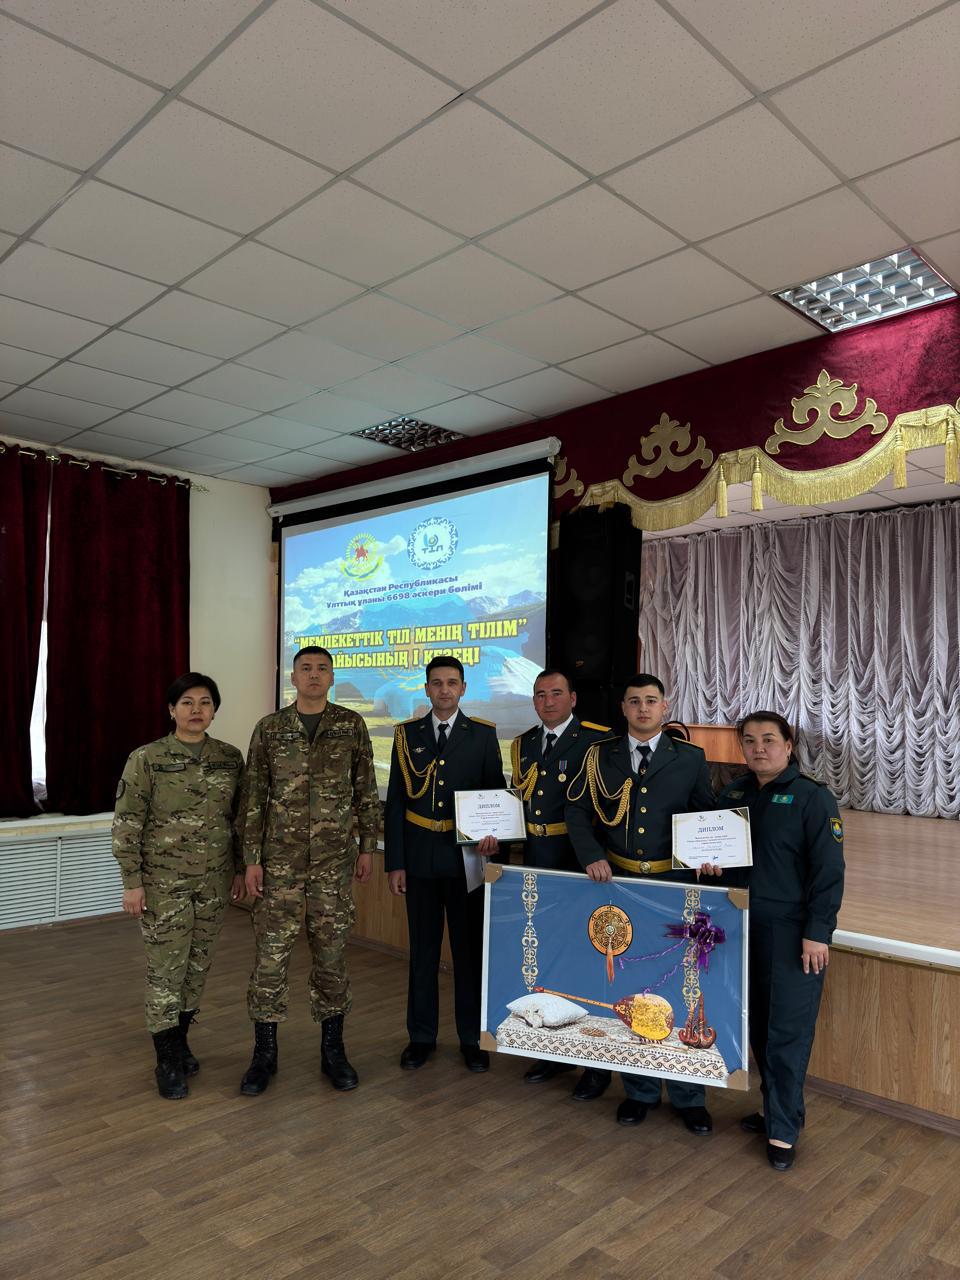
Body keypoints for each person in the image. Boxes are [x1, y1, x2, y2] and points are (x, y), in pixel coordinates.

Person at [565, 673, 717, 1133]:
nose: (643, 708)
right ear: (624, 708)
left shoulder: (690, 758)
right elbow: (577, 810)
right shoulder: (600, 756)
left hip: (673, 888)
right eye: (634, 701)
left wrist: (709, 855)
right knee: (631, 988)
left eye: (651, 701)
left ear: (665, 707)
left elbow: (705, 815)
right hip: (621, 886)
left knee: (683, 986)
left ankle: (689, 1094)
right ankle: (640, 1090)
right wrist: (591, 855)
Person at [239, 646, 379, 1096]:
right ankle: (264, 1054)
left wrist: (367, 847)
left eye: (322, 669)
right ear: (293, 677)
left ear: (332, 677)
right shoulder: (270, 728)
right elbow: (254, 796)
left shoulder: (350, 726)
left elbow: (365, 790)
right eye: (306, 669)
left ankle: (333, 1050)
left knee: (332, 957)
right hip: (278, 864)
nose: (314, 675)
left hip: (333, 864)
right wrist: (251, 859)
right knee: (270, 958)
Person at [718, 712, 844, 1171]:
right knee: (757, 1025)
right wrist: (708, 865)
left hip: (792, 934)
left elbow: (829, 872)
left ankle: (783, 1130)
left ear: (788, 746)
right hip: (740, 928)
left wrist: (817, 933)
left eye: (769, 739)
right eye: (749, 740)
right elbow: (721, 858)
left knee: (786, 1032)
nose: (758, 748)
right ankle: (778, 1109)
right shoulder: (733, 794)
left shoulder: (813, 797)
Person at [112, 673, 244, 1100]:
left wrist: (240, 870)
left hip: (214, 881)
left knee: (198, 965)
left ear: (214, 710)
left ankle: (181, 1039)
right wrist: (132, 883)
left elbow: (239, 821)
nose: (196, 710)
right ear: (172, 710)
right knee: (166, 969)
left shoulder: (229, 758)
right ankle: (166, 1057)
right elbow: (127, 824)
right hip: (163, 885)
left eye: (205, 702)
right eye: (187, 702)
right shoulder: (147, 758)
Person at [385, 655, 504, 1073]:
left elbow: (495, 796)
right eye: (437, 683)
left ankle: (471, 1039)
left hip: (466, 860)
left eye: (452, 682)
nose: (444, 690)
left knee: (468, 956)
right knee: (423, 953)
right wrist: (395, 863)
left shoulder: (482, 735)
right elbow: (396, 803)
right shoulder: (406, 735)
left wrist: (494, 840)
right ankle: (421, 1037)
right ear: (426, 689)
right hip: (419, 860)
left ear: (463, 688)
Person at [510, 668, 610, 1092]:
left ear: (573, 699)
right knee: (547, 960)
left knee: (588, 960)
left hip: (580, 864)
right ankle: (553, 1051)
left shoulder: (597, 740)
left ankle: (595, 1065)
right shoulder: (524, 744)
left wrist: (593, 856)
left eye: (555, 693)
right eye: (540, 694)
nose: (547, 701)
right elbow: (516, 803)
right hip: (538, 861)